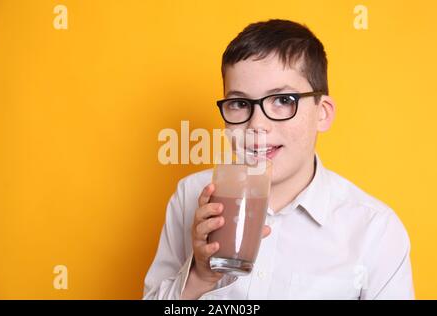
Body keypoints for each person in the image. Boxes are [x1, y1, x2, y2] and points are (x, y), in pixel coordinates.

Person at [143, 19, 414, 300]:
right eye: (239, 103)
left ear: (322, 113)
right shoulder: (191, 196)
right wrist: (199, 277)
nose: (257, 125)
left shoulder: (375, 230)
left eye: (283, 100)